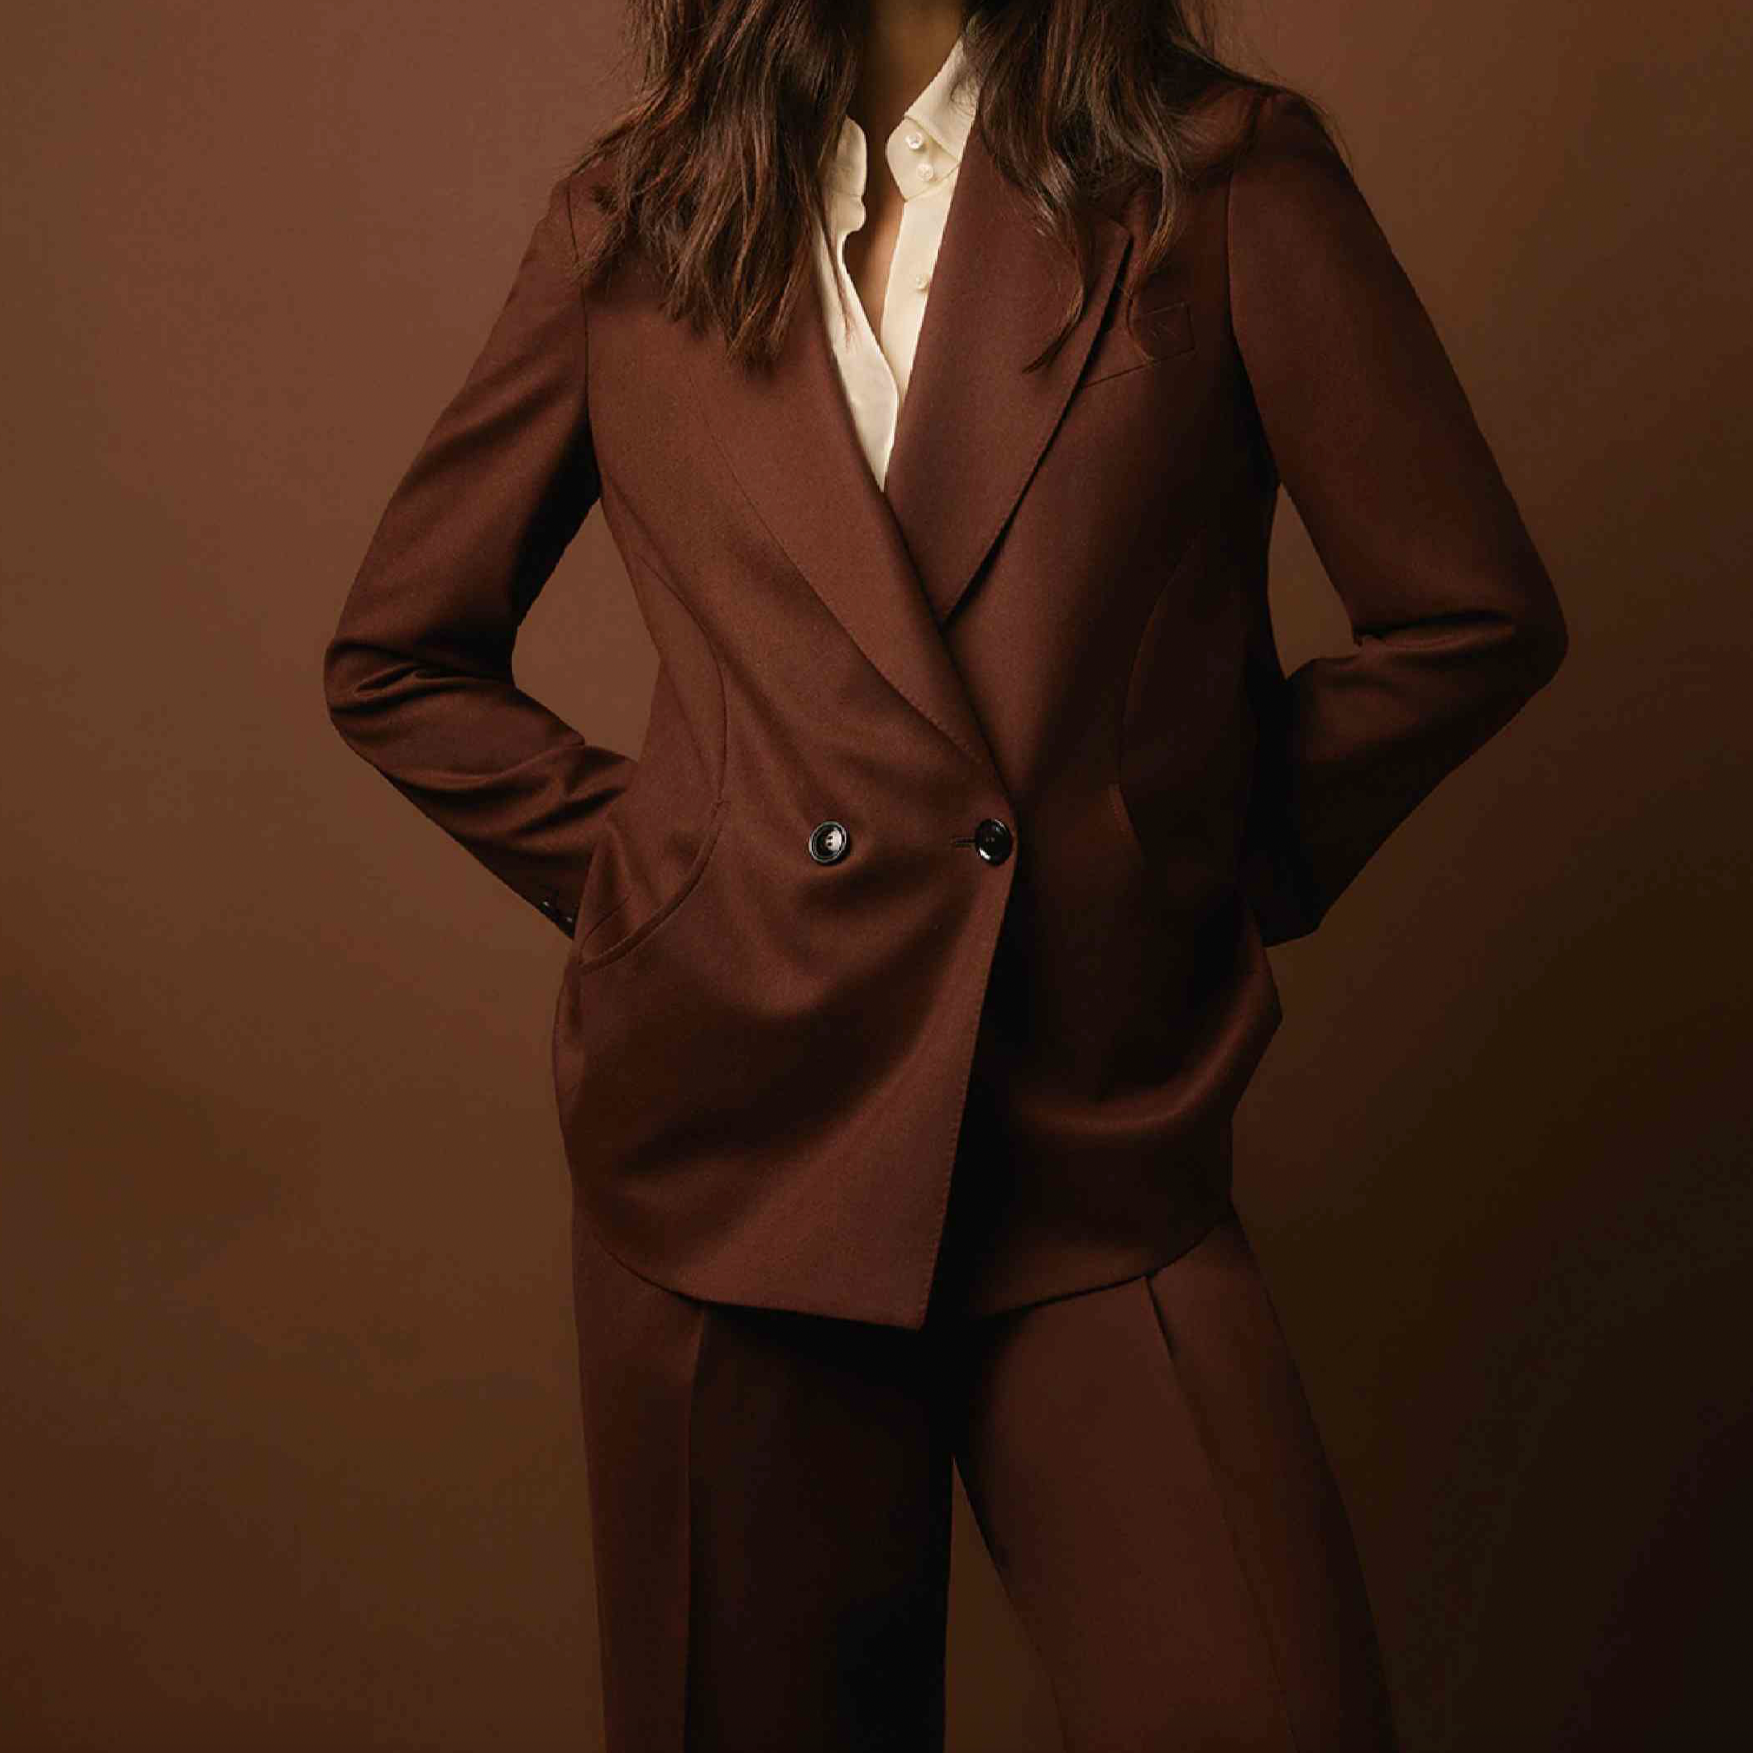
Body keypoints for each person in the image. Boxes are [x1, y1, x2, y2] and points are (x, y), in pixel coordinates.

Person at [324, 1, 1567, 1746]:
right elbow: (397, 658)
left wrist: (1175, 856)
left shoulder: (1222, 177)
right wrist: (681, 881)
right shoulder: (636, 222)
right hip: (733, 1149)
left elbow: (1466, 616)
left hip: (1089, 1139)